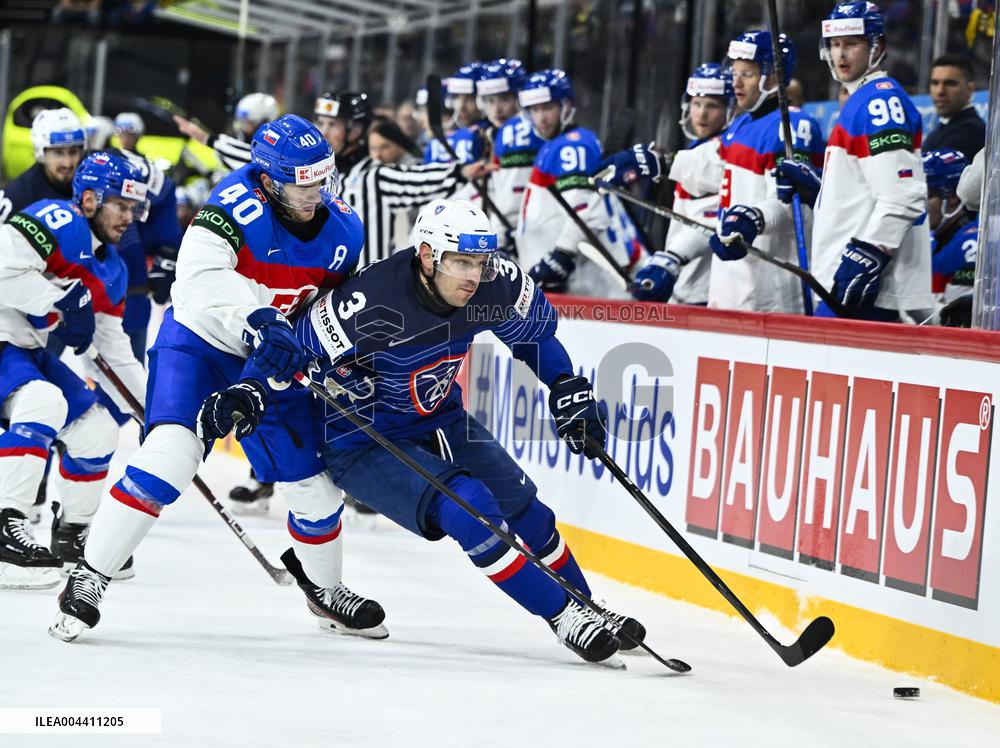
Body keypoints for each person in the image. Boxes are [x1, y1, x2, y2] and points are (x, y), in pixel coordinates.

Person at [257, 198, 644, 665]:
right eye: (460, 262)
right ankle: (565, 617)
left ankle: (587, 606)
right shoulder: (370, 300)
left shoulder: (493, 286)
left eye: (479, 263)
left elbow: (533, 338)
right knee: (471, 507)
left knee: (528, 511)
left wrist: (566, 385)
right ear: (426, 255)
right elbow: (285, 355)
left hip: (440, 416)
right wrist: (297, 384)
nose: (472, 276)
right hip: (363, 441)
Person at [50, 115, 386, 643]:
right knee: (169, 456)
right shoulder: (232, 204)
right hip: (200, 344)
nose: (315, 191)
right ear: (271, 179)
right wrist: (256, 317)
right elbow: (200, 278)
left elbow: (331, 304)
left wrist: (336, 354)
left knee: (315, 488)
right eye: (303, 180)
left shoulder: (345, 228)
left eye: (321, 178)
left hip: (272, 359)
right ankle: (90, 576)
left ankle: (325, 592)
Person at [0, 151, 149, 589]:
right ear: (88, 198)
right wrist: (58, 300)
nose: (129, 217)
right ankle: (4, 526)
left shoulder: (113, 268)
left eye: (134, 208)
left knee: (97, 427)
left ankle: (71, 537)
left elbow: (113, 349)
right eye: (120, 205)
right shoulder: (54, 219)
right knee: (43, 401)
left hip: (25, 350)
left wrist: (154, 413)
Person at [776, 2, 931, 321]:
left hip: (866, 288)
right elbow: (869, 189)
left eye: (852, 43)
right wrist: (819, 191)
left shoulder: (879, 101)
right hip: (842, 280)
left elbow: (903, 196)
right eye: (835, 44)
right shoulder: (860, 100)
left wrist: (870, 252)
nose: (841, 55)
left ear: (879, 46)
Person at [667, 31, 825, 313]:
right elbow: (710, 165)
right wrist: (658, 162)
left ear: (774, 77)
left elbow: (793, 205)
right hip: (732, 283)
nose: (735, 82)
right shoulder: (743, 125)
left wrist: (755, 218)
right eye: (735, 72)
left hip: (771, 290)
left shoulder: (792, 126)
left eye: (747, 74)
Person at [518, 69, 647, 298]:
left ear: (565, 106)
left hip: (595, 282)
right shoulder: (559, 143)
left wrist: (562, 254)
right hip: (587, 282)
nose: (541, 118)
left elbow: (586, 210)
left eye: (548, 108)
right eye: (535, 110)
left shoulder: (571, 146)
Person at [630, 63, 735, 304]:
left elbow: (711, 218)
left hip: (706, 290)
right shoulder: (695, 148)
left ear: (729, 109)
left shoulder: (723, 151)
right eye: (696, 104)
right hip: (685, 285)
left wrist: (671, 258)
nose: (701, 114)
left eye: (712, 105)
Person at [0, 108, 86, 222]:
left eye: (73, 152)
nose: (67, 163)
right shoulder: (16, 197)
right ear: (41, 154)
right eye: (58, 153)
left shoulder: (92, 181)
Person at [924, 149, 977, 322]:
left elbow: (959, 321)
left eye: (928, 195)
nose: (919, 203)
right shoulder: (932, 241)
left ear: (953, 196)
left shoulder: (972, 245)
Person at [173, 92, 280, 172]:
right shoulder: (244, 141)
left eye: (248, 123)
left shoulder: (270, 156)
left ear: (264, 123)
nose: (241, 127)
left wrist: (207, 138)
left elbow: (248, 157)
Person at [923, 53, 985, 160]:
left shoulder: (969, 133)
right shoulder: (943, 127)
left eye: (950, 84)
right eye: (935, 83)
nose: (940, 91)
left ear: (969, 90)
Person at [424, 63, 488, 165]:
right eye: (457, 97)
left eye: (470, 99)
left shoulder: (489, 135)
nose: (461, 107)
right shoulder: (443, 139)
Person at [313, 91, 373, 177]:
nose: (323, 133)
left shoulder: (376, 175)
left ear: (356, 130)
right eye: (320, 123)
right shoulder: (309, 168)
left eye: (332, 124)